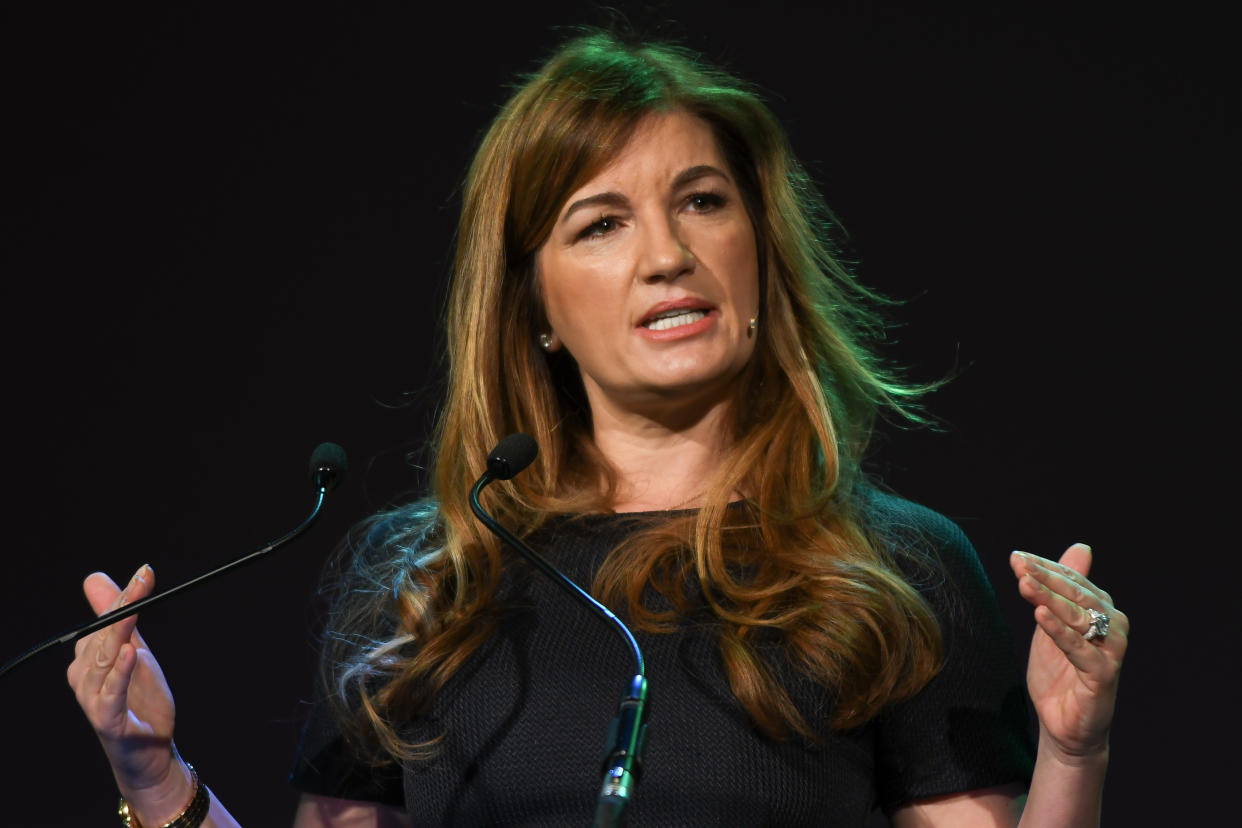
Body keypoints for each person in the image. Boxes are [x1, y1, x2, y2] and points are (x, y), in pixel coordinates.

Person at [68, 31, 1127, 827]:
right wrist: (149, 774)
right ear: (532, 308)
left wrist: (1075, 751)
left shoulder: (893, 568)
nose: (667, 254)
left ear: (761, 250)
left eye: (703, 202)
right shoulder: (416, 580)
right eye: (603, 223)